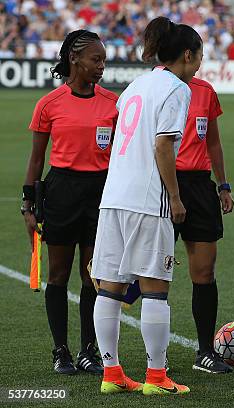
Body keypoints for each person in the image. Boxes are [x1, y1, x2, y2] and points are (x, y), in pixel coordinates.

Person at [90, 16, 202, 395]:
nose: (200, 63)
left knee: (110, 289)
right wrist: (174, 196)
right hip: (147, 200)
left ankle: (111, 374)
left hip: (114, 197)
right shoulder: (176, 88)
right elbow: (162, 144)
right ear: (187, 54)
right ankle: (156, 378)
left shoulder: (134, 86)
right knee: (155, 291)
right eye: (199, 55)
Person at [23, 29, 117, 375]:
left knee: (93, 275)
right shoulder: (49, 104)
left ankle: (88, 350)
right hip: (61, 191)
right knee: (58, 274)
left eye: (104, 60)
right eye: (96, 59)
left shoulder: (112, 102)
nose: (101, 66)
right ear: (73, 59)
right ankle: (60, 350)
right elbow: (36, 159)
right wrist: (27, 205)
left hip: (101, 192)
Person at [174, 75, 234, 374]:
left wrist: (223, 185)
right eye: (197, 54)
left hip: (200, 186)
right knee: (153, 271)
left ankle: (205, 352)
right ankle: (153, 357)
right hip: (163, 183)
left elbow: (213, 140)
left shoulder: (206, 91)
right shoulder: (155, 87)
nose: (200, 61)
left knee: (205, 271)